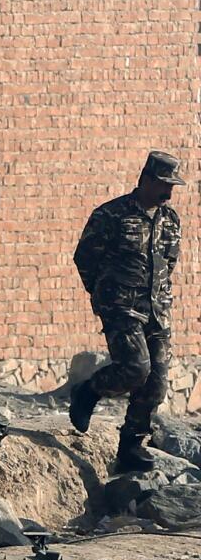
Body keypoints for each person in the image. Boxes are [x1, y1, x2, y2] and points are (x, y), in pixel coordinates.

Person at [69, 152, 183, 472]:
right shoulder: (111, 215)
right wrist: (105, 294)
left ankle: (132, 444)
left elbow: (169, 262)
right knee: (136, 368)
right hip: (121, 307)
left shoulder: (170, 219)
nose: (169, 193)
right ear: (146, 179)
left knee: (157, 383)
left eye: (172, 186)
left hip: (158, 310)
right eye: (163, 185)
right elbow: (85, 259)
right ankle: (89, 391)